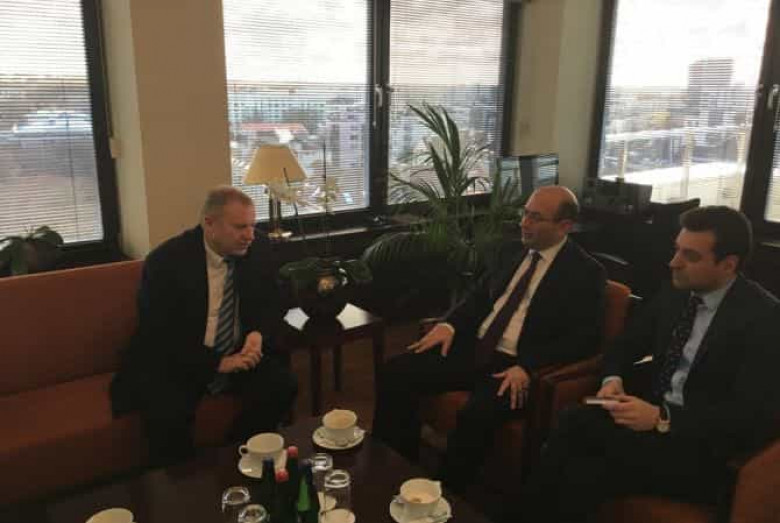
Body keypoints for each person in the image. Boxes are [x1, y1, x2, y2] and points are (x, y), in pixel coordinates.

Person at [523, 206, 780, 523]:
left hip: (699, 446)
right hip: (645, 413)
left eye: (690, 256)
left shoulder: (766, 320)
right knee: (572, 419)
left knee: (585, 469)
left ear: (728, 265)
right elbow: (624, 345)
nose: (674, 262)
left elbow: (750, 418)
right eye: (677, 249)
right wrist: (612, 380)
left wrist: (663, 418)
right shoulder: (676, 291)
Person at [372, 186, 607, 491]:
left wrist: (529, 367)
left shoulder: (586, 273)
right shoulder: (510, 251)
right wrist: (449, 325)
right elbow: (478, 297)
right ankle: (392, 468)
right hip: (474, 347)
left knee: (476, 414)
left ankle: (445, 496)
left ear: (564, 226)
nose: (524, 223)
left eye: (535, 218)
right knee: (396, 372)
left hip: (514, 368)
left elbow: (585, 339)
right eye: (525, 213)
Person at [110, 186, 298, 465]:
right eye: (240, 227)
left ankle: (237, 457)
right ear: (209, 224)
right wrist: (218, 363)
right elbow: (158, 333)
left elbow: (274, 299)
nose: (250, 235)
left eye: (252, 225)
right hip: (179, 360)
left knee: (281, 385)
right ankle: (183, 479)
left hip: (239, 351)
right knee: (166, 412)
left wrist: (257, 333)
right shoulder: (166, 261)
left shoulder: (258, 247)